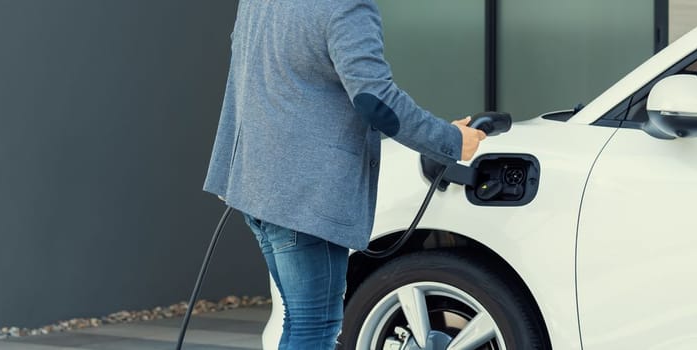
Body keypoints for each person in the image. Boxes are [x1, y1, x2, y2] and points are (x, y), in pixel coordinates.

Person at [202, 0, 486, 348]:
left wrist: (230, 170)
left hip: (259, 188)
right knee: (314, 326)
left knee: (300, 320)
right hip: (306, 199)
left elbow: (243, 77)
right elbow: (376, 100)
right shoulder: (346, 6)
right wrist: (451, 140)